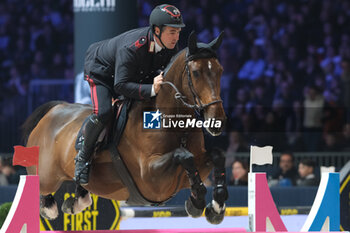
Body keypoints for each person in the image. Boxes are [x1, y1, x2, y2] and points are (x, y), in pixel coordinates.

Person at [74, 4, 185, 185]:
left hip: (131, 73)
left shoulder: (170, 45)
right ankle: (83, 158)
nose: (176, 37)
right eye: (172, 32)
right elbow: (120, 85)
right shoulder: (133, 47)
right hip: (101, 71)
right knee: (104, 113)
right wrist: (151, 89)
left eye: (178, 32)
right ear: (157, 30)